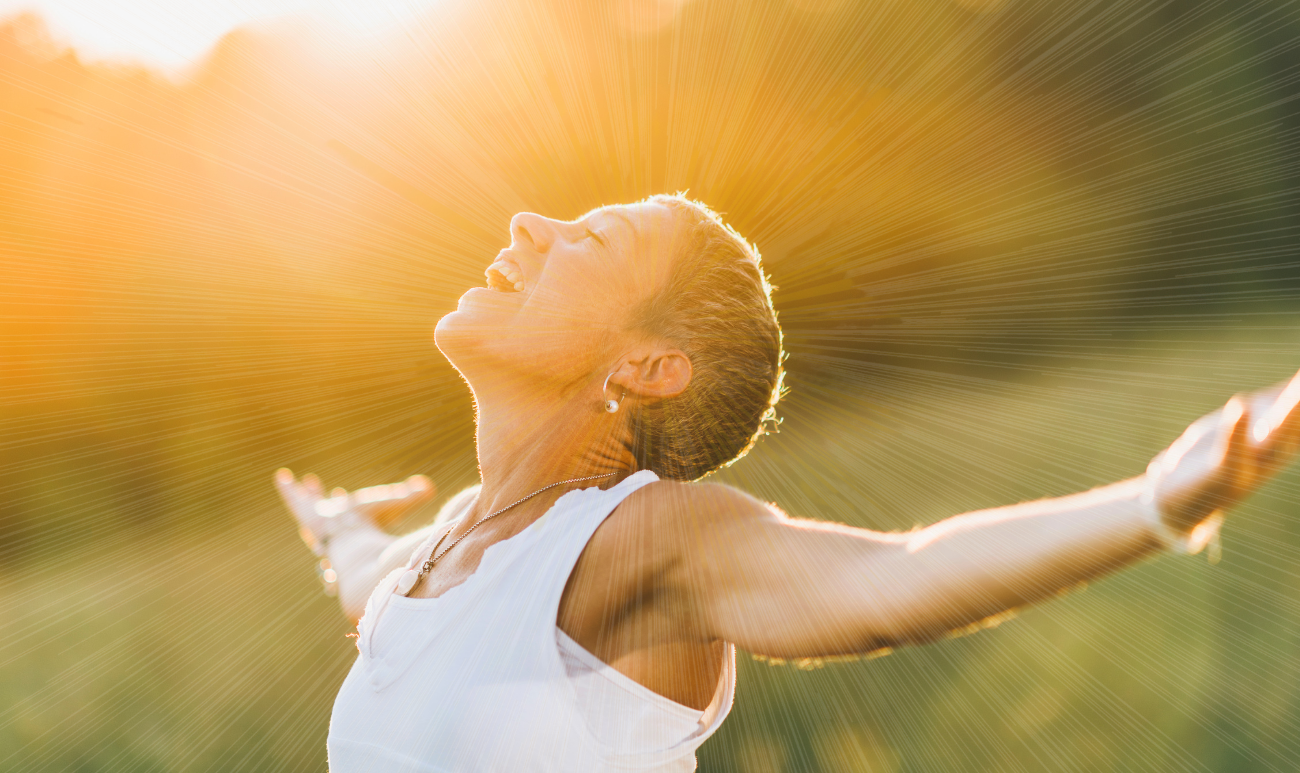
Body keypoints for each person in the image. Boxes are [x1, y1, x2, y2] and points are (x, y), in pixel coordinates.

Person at [275, 193, 1300, 773]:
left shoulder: (645, 537)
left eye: (586, 239)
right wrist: (335, 528)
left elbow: (887, 581)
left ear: (646, 366)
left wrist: (1157, 503)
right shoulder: (450, 545)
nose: (528, 223)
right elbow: (379, 590)